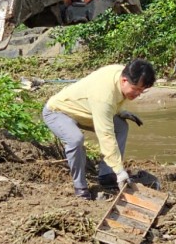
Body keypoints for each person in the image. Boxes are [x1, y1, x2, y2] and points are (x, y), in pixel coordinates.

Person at [42, 59, 156, 200]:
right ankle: (81, 188)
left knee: (121, 126)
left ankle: (106, 175)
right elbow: (106, 136)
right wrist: (120, 171)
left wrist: (120, 111)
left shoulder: (122, 73)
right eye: (136, 89)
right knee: (76, 139)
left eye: (142, 91)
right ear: (124, 80)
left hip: (86, 111)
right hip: (59, 112)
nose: (138, 94)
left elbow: (116, 99)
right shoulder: (103, 96)